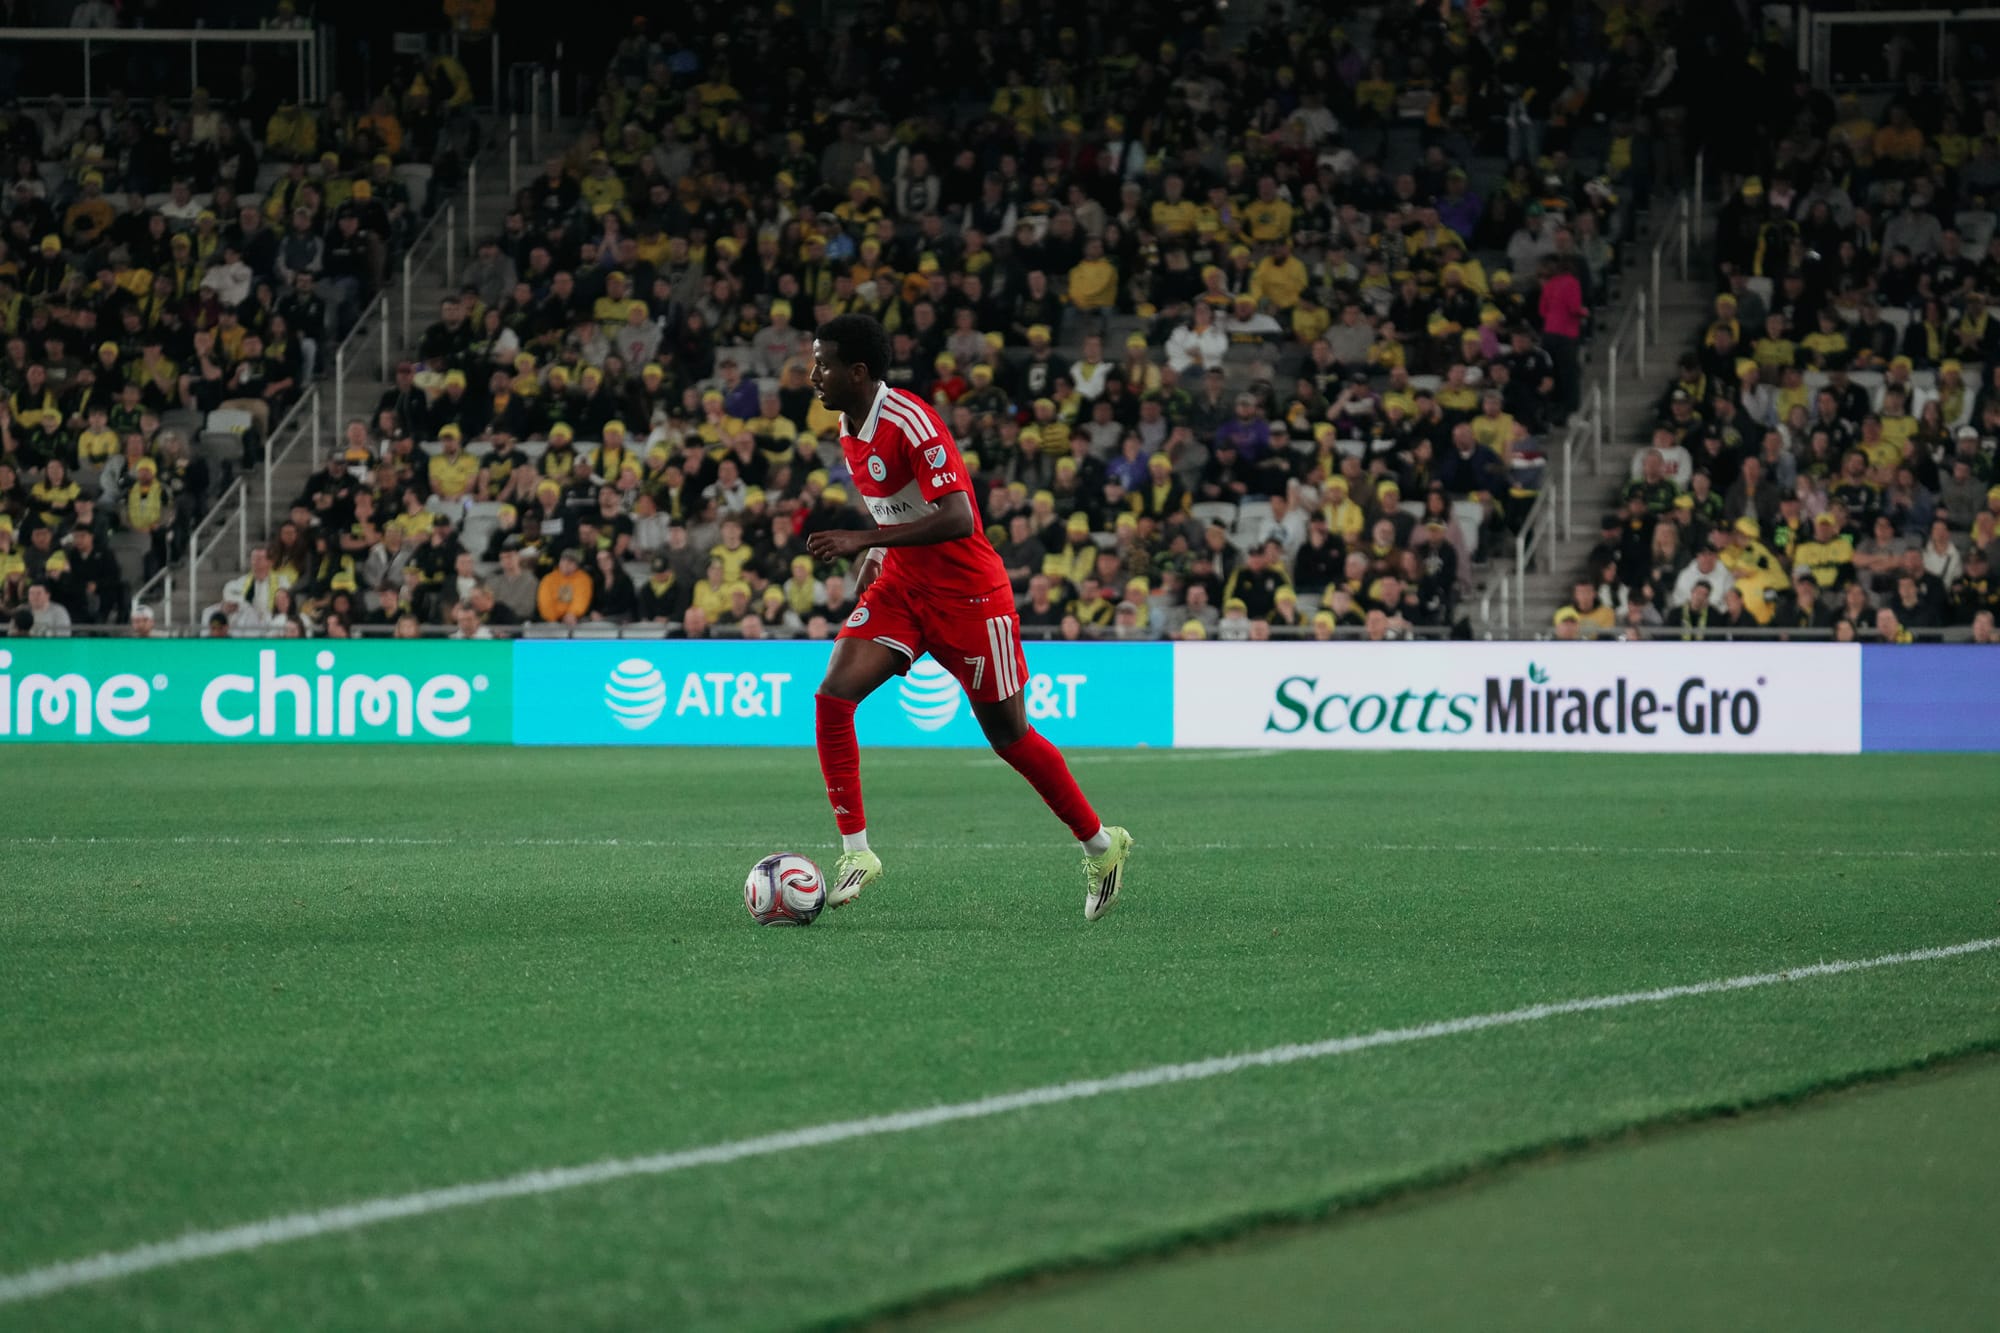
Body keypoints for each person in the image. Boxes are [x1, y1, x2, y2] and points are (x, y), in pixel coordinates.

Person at [802, 314, 1132, 920]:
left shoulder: (911, 421)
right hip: (905, 588)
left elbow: (957, 517)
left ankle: (1100, 845)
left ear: (858, 371)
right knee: (833, 697)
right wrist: (878, 555)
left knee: (1010, 738)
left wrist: (863, 538)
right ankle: (857, 852)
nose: (813, 375)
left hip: (970, 598)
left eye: (823, 364)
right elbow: (897, 504)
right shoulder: (849, 426)